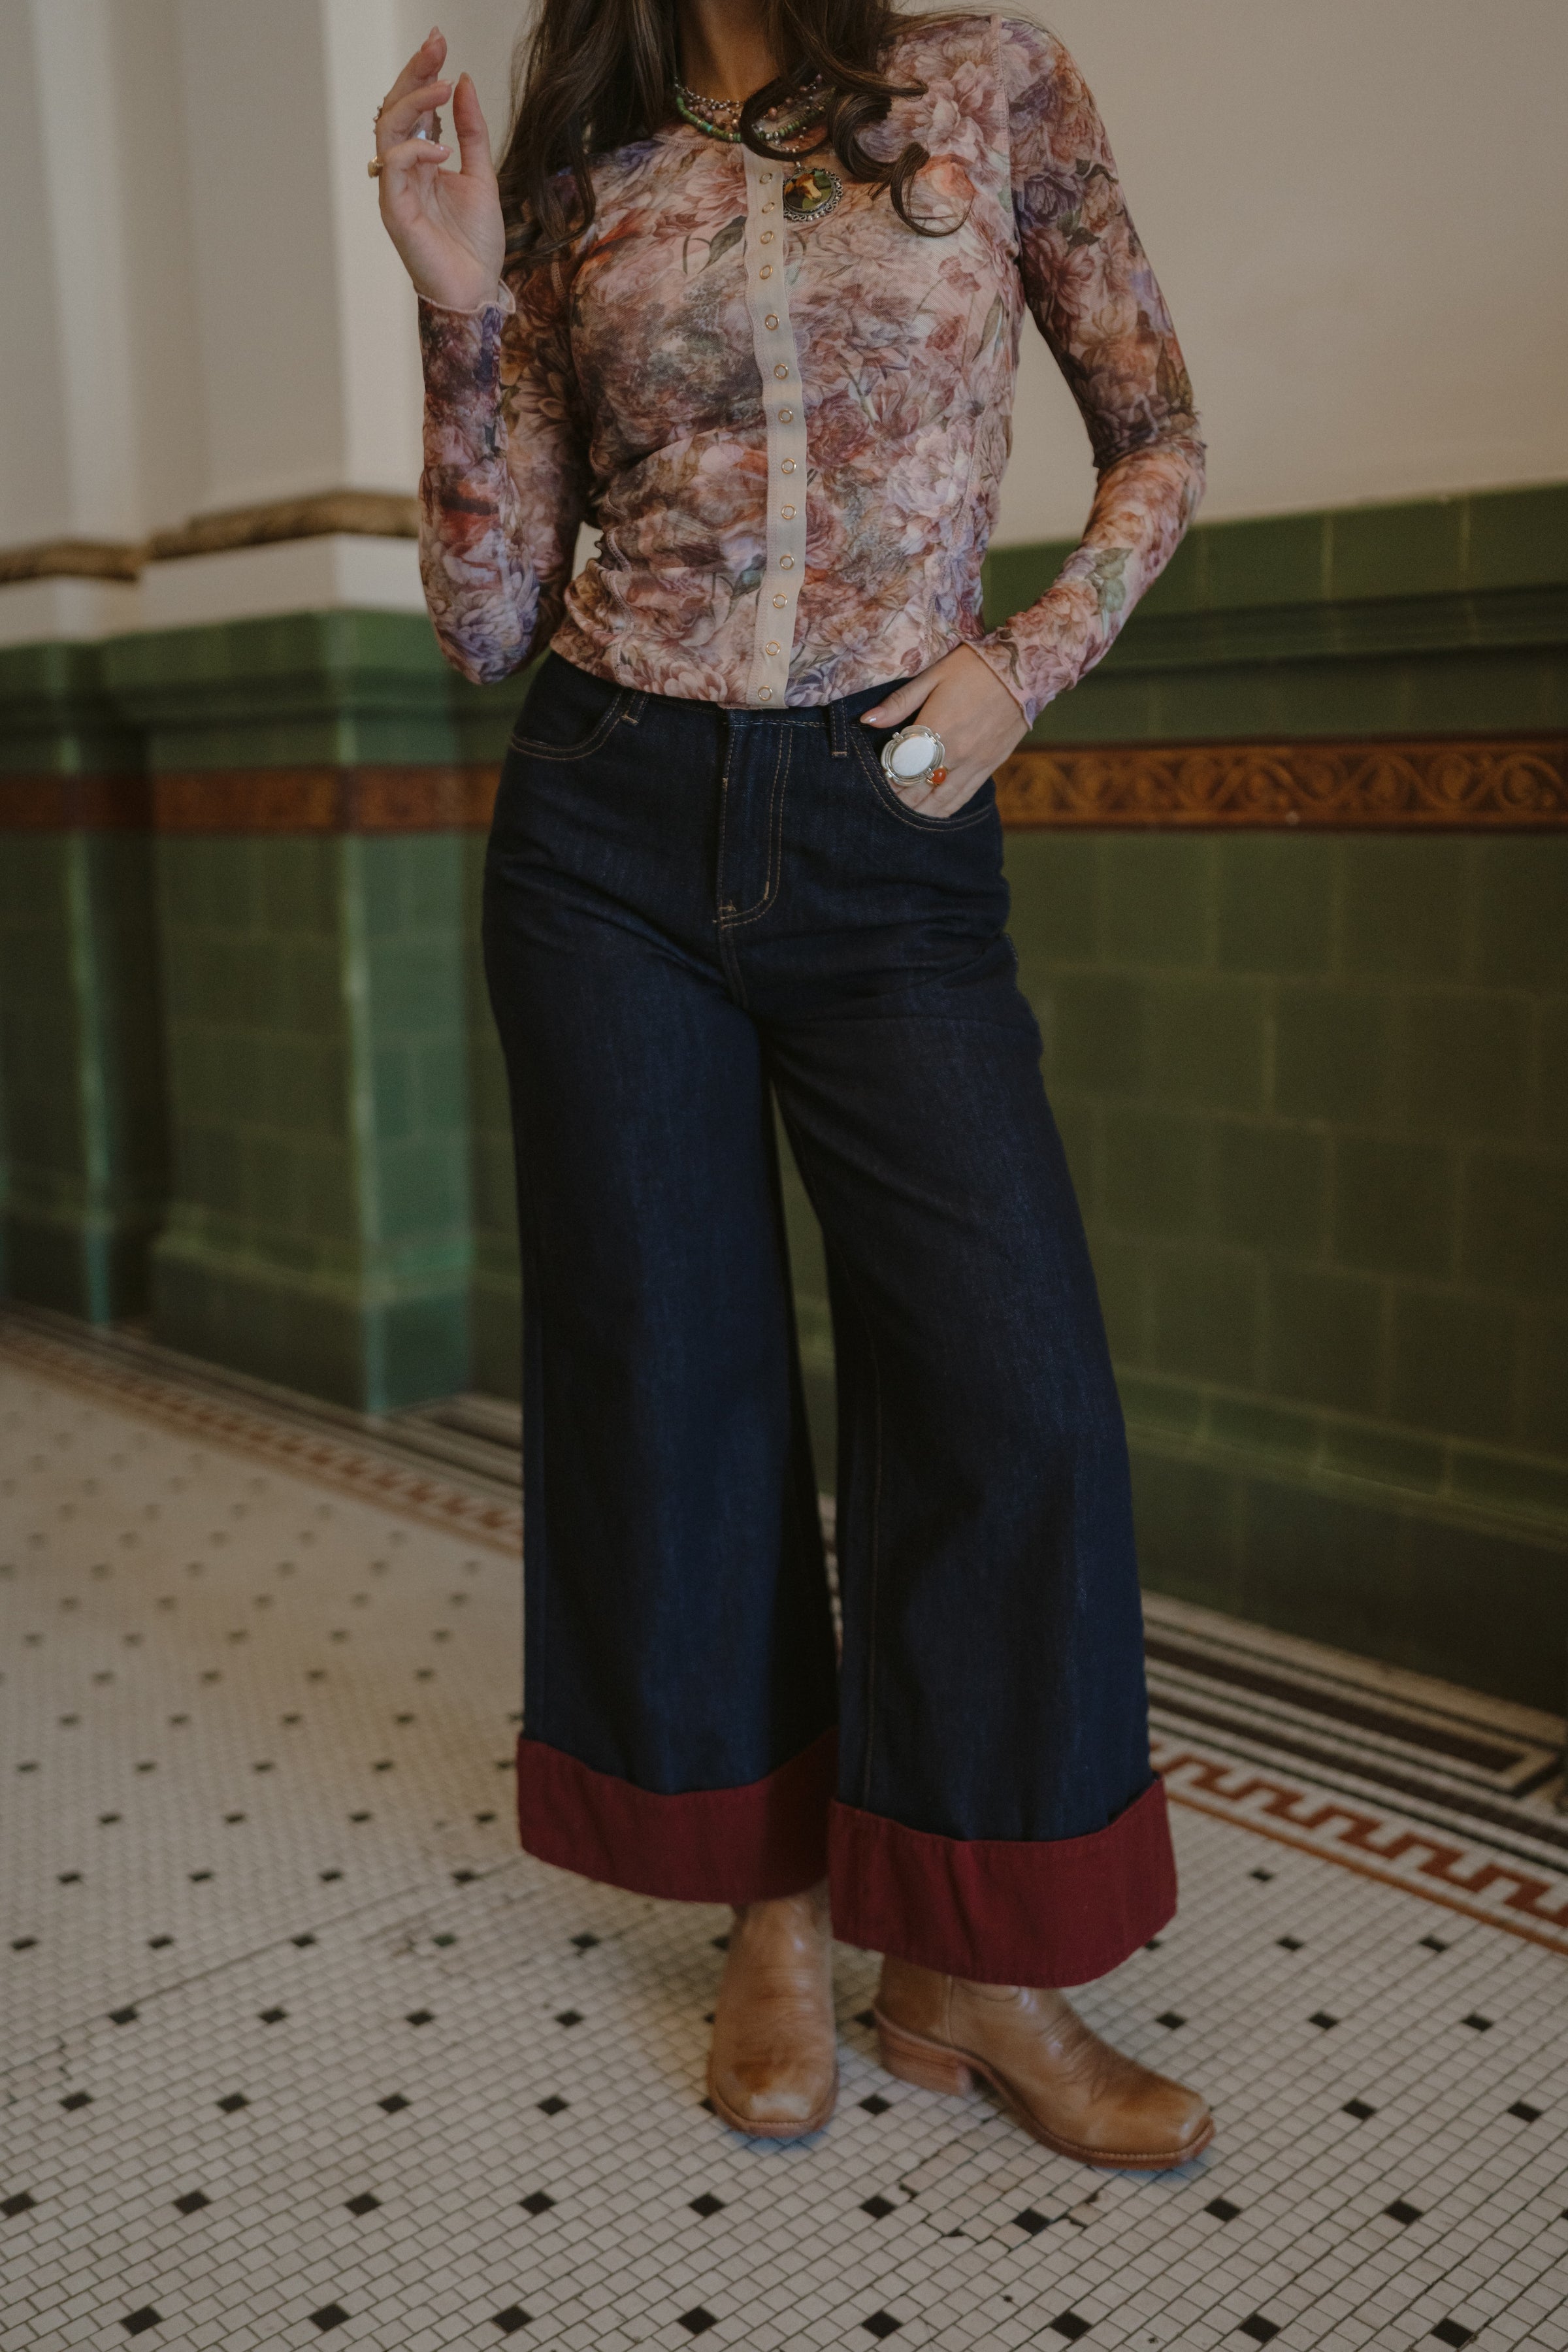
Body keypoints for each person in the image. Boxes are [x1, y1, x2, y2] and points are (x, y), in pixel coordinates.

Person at [375, 0, 1213, 2166]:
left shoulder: (988, 73)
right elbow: (484, 620)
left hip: (890, 821)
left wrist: (1022, 665)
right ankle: (775, 1903)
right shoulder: (586, 147)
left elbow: (1159, 436)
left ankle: (975, 1963)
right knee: (680, 1384)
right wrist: (460, 307)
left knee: (1012, 1388)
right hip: (604, 831)